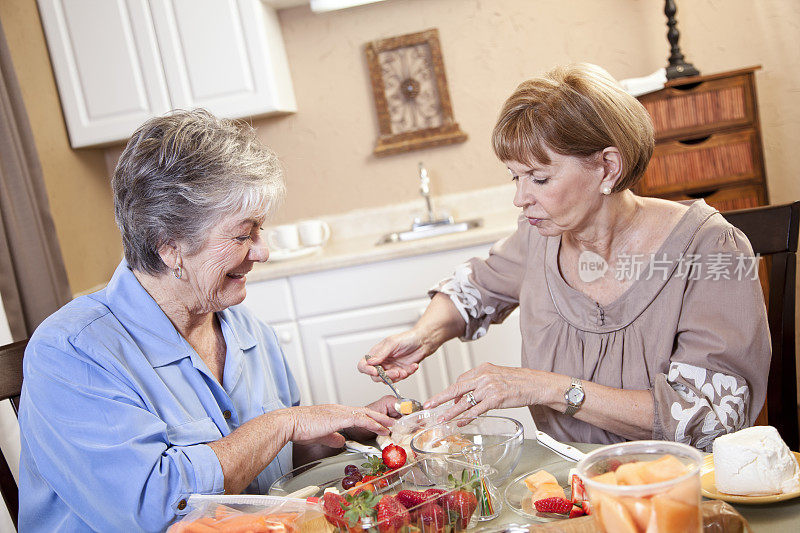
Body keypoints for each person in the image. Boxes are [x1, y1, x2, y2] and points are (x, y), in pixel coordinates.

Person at [358, 63, 770, 452]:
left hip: (678, 486)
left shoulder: (711, 247)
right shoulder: (539, 238)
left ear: (607, 168)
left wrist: (544, 386)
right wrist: (421, 337)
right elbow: (474, 288)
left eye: (539, 178)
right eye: (515, 177)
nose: (521, 198)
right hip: (569, 485)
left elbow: (711, 419)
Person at [18, 110, 396, 532]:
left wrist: (347, 429)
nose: (262, 251)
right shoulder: (71, 353)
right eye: (243, 235)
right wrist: (282, 423)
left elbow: (275, 467)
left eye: (261, 230)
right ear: (170, 248)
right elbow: (158, 508)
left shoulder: (247, 330)